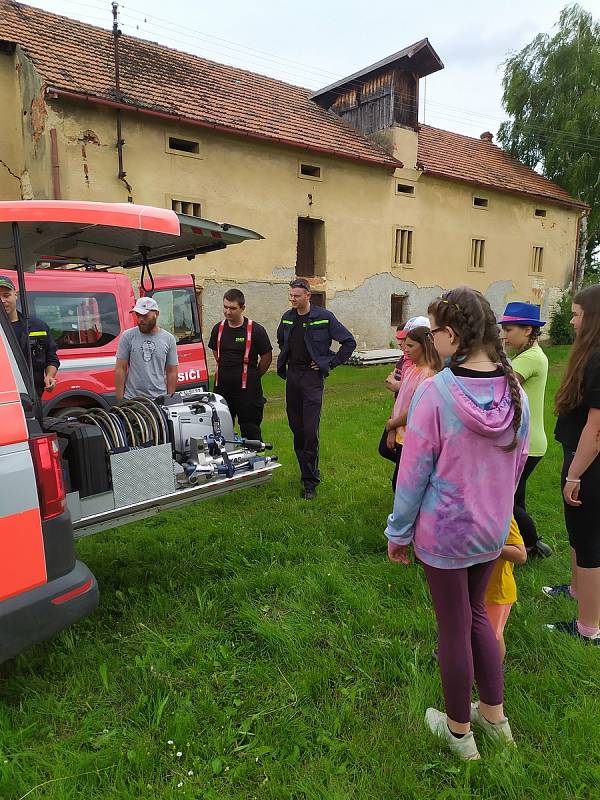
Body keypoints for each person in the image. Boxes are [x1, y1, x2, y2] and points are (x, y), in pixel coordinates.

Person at [385, 286, 529, 760]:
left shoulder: (437, 391)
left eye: (434, 330)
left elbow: (413, 472)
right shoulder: (516, 391)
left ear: (450, 334)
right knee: (477, 616)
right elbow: (516, 469)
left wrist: (397, 533)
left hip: (445, 533)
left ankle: (459, 732)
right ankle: (495, 718)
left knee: (453, 625)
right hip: (490, 531)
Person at [544, 284, 600, 646]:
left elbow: (596, 430)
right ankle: (578, 590)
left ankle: (589, 628)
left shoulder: (599, 359)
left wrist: (576, 473)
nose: (571, 320)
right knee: (578, 534)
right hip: (577, 457)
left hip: (589, 464)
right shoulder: (591, 354)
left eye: (577, 314)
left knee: (591, 541)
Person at [277, 278, 356, 500]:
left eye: (297, 296)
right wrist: (287, 356)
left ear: (308, 296)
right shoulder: (288, 318)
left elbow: (348, 342)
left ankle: (310, 482)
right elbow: (281, 339)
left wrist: (328, 362)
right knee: (297, 428)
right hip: (293, 376)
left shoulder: (323, 317)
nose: (292, 299)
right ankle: (305, 470)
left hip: (312, 379)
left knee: (310, 431)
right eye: (291, 295)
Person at [500, 302, 552, 558]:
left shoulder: (530, 358)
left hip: (527, 442)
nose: (505, 335)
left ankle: (532, 544)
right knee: (516, 497)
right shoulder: (528, 355)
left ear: (528, 329)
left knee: (507, 500)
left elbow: (502, 386)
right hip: (529, 440)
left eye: (509, 329)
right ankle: (524, 541)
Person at [208, 289, 272, 440]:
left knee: (250, 430)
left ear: (242, 308)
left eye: (232, 308)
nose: (228, 312)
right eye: (225, 307)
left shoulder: (256, 330)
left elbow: (266, 357)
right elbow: (216, 353)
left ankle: (256, 459)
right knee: (221, 430)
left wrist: (253, 375)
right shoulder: (218, 329)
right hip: (222, 389)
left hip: (247, 392)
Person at [384, 326, 441, 490]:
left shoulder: (429, 375)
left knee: (402, 485)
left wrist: (392, 424)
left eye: (410, 346)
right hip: (400, 434)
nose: (405, 350)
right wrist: (392, 429)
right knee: (400, 483)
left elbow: (416, 409)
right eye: (405, 345)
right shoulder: (410, 370)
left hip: (413, 438)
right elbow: (400, 401)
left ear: (424, 346)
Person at [0, 274, 60, 397]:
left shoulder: (39, 327)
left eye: (6, 295)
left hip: (33, 397)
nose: (2, 300)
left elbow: (51, 357)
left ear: (15, 295)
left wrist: (49, 376)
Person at [115, 297, 178, 402]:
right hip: (132, 400)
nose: (140, 320)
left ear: (156, 314)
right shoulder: (128, 336)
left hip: (158, 400)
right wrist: (120, 400)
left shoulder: (169, 339)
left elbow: (172, 372)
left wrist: (169, 400)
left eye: (144, 315)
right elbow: (120, 368)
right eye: (138, 315)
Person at [485, 516, 527, 661]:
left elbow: (521, 555)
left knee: (493, 636)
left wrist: (488, 546)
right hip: (478, 588)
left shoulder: (504, 514)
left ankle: (492, 675)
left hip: (496, 591)